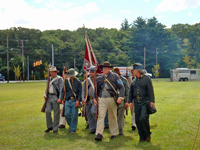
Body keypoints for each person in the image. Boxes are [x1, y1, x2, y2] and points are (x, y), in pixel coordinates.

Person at [94, 61, 125, 141]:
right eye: (103, 68)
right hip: (102, 99)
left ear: (109, 68)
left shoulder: (115, 76)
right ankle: (99, 133)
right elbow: (96, 89)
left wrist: (120, 97)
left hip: (112, 98)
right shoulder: (99, 77)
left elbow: (121, 87)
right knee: (101, 116)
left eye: (106, 68)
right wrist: (95, 98)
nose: (104, 69)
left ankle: (114, 133)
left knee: (112, 116)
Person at [129, 63, 155, 142]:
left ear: (138, 70)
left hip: (144, 102)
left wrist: (152, 101)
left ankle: (147, 135)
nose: (132, 71)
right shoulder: (134, 80)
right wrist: (130, 101)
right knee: (137, 120)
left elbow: (151, 90)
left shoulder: (146, 79)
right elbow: (131, 92)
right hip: (136, 102)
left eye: (134, 70)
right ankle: (142, 137)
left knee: (144, 118)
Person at [44, 66, 63, 133]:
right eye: (50, 72)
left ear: (55, 72)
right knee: (47, 111)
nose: (51, 73)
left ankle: (55, 128)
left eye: (53, 72)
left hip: (55, 97)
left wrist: (60, 98)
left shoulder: (59, 79)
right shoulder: (49, 79)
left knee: (56, 114)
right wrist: (45, 95)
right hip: (49, 97)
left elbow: (61, 89)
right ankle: (49, 126)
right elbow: (47, 88)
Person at [63, 68, 82, 134]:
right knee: (66, 114)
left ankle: (73, 129)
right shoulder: (66, 81)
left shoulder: (78, 82)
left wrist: (78, 101)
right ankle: (71, 125)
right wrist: (63, 99)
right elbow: (64, 91)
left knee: (74, 115)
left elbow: (80, 92)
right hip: (67, 100)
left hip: (75, 100)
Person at [113, 67, 129, 135]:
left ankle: (120, 130)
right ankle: (114, 130)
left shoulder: (124, 80)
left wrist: (127, 102)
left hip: (122, 99)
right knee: (114, 116)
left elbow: (127, 91)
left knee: (120, 116)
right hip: (113, 100)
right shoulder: (111, 80)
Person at [82, 66, 97, 134]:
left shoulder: (97, 80)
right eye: (90, 72)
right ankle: (92, 129)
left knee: (93, 112)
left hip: (95, 100)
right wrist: (83, 100)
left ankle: (97, 126)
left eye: (92, 72)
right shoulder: (86, 81)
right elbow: (83, 91)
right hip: (88, 100)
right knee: (89, 115)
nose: (91, 73)